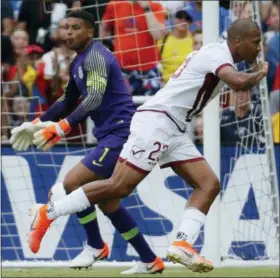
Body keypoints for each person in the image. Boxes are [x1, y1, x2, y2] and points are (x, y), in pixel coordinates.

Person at [28, 18, 268, 273]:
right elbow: (238, 82)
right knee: (118, 187)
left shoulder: (217, 55)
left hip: (174, 128)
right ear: (238, 41)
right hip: (157, 122)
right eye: (255, 43)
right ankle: (49, 212)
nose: (258, 48)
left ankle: (182, 244)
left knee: (209, 184)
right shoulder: (216, 54)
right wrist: (262, 71)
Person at [10, 10, 164, 275]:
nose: (68, 32)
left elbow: (92, 98)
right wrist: (37, 123)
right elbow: (67, 99)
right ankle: (151, 260)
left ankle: (94, 245)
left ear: (90, 32)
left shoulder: (96, 57)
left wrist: (61, 127)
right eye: (66, 27)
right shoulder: (79, 60)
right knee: (109, 204)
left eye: (75, 27)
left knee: (72, 183)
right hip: (110, 134)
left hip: (122, 133)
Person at [100, 0, 166, 96]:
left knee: (149, 108)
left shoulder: (156, 6)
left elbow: (157, 34)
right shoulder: (114, 4)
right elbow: (104, 27)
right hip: (121, 68)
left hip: (148, 69)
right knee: (122, 108)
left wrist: (146, 8)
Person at [157, 10, 193, 84]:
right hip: (165, 84)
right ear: (174, 20)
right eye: (180, 17)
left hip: (187, 83)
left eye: (187, 18)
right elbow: (156, 64)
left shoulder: (194, 40)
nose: (183, 20)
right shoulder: (163, 40)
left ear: (190, 23)